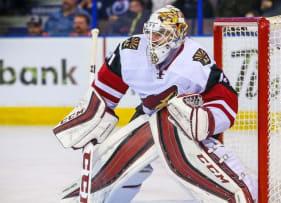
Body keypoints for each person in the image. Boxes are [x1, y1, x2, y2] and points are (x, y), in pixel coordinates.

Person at [54, 5, 258, 203]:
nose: (153, 40)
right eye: (151, 32)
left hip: (186, 120)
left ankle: (241, 189)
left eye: (161, 33)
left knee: (193, 160)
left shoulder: (195, 61)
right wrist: (91, 116)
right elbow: (104, 92)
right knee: (128, 164)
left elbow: (225, 97)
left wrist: (208, 121)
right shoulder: (130, 51)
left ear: (178, 35)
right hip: (150, 114)